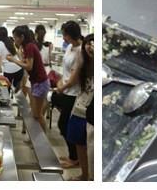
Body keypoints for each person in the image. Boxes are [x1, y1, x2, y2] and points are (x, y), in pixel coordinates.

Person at [51, 21, 83, 168]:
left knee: (64, 125)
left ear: (71, 35)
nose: (63, 37)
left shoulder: (81, 51)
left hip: (73, 94)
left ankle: (74, 157)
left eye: (64, 35)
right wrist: (59, 83)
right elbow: (66, 70)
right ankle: (73, 155)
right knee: (64, 124)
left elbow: (74, 78)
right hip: (64, 90)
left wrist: (62, 87)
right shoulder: (70, 47)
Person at [9, 25, 49, 131]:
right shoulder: (27, 47)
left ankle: (43, 139)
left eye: (15, 37)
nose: (14, 40)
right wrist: (18, 58)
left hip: (40, 82)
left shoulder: (29, 47)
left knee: (37, 115)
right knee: (35, 114)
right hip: (36, 82)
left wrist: (13, 60)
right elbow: (27, 63)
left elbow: (29, 66)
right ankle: (37, 137)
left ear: (22, 37)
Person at [66, 34, 94, 180]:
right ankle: (84, 174)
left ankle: (91, 176)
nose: (91, 46)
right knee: (79, 144)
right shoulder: (83, 65)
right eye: (88, 43)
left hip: (91, 113)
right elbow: (73, 80)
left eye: (94, 44)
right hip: (79, 108)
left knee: (91, 148)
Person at [0, 27, 24, 92]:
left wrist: (0, 70)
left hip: (8, 71)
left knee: (5, 90)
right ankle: (15, 98)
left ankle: (8, 98)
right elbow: (18, 53)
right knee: (17, 90)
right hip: (19, 68)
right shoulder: (11, 41)